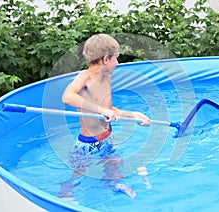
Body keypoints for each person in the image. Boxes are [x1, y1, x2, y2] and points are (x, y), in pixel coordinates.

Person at [56, 34, 150, 202]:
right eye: (116, 58)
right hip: (88, 143)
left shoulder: (106, 77)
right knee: (79, 172)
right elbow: (67, 97)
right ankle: (64, 194)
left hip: (107, 136)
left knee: (114, 163)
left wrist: (134, 115)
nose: (118, 63)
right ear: (106, 59)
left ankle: (116, 184)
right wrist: (99, 110)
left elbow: (110, 109)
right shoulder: (84, 77)